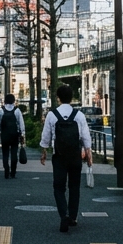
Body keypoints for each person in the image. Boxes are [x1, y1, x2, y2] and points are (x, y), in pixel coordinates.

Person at [39, 84, 92, 233]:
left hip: (59, 156)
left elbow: (46, 136)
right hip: (75, 156)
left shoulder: (52, 115)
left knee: (58, 187)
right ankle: (73, 217)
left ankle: (64, 214)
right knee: (74, 187)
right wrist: (89, 155)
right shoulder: (79, 115)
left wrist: (44, 152)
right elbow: (86, 137)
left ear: (58, 98)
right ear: (72, 98)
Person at [0, 94, 25, 179]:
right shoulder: (17, 111)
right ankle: (13, 172)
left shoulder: (1, 110)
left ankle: (6, 169)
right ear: (13, 101)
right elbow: (21, 123)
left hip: (4, 135)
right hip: (14, 135)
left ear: (5, 101)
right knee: (14, 154)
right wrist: (22, 134)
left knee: (5, 153)